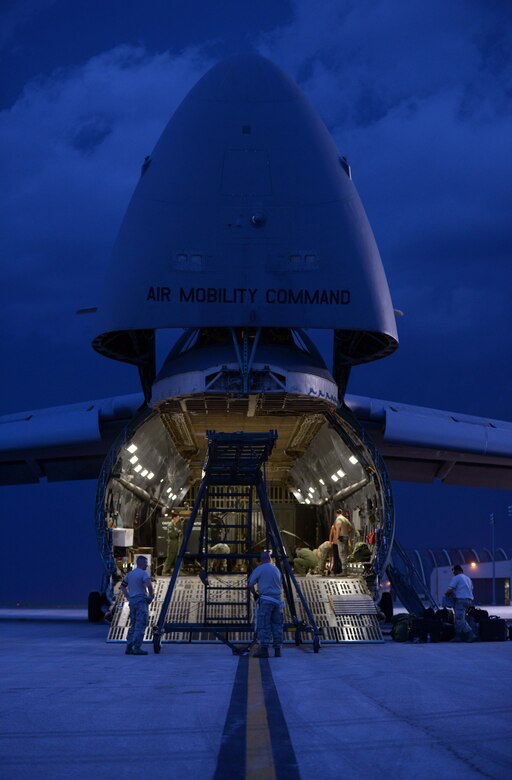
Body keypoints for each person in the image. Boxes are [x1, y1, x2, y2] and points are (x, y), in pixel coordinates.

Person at [248, 550, 283, 658]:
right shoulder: (276, 569)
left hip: (266, 601)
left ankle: (264, 650)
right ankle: (277, 650)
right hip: (277, 601)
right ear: (270, 558)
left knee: (264, 625)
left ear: (261, 559)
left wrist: (255, 595)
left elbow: (250, 584)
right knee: (277, 625)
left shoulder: (259, 569)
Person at [121, 555, 154, 655]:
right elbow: (149, 585)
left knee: (133, 624)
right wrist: (151, 596)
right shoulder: (143, 574)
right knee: (141, 623)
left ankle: (129, 646)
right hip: (141, 601)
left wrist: (128, 597)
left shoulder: (130, 574)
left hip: (132, 601)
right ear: (142, 563)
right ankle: (137, 647)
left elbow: (123, 586)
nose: (147, 565)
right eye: (146, 563)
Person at [445, 564, 477, 642]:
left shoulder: (456, 578)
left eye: (453, 571)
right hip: (469, 600)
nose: (453, 572)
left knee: (459, 619)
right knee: (460, 619)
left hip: (460, 601)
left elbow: (450, 589)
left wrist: (446, 595)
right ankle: (458, 637)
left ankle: (471, 635)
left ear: (457, 570)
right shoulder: (468, 578)